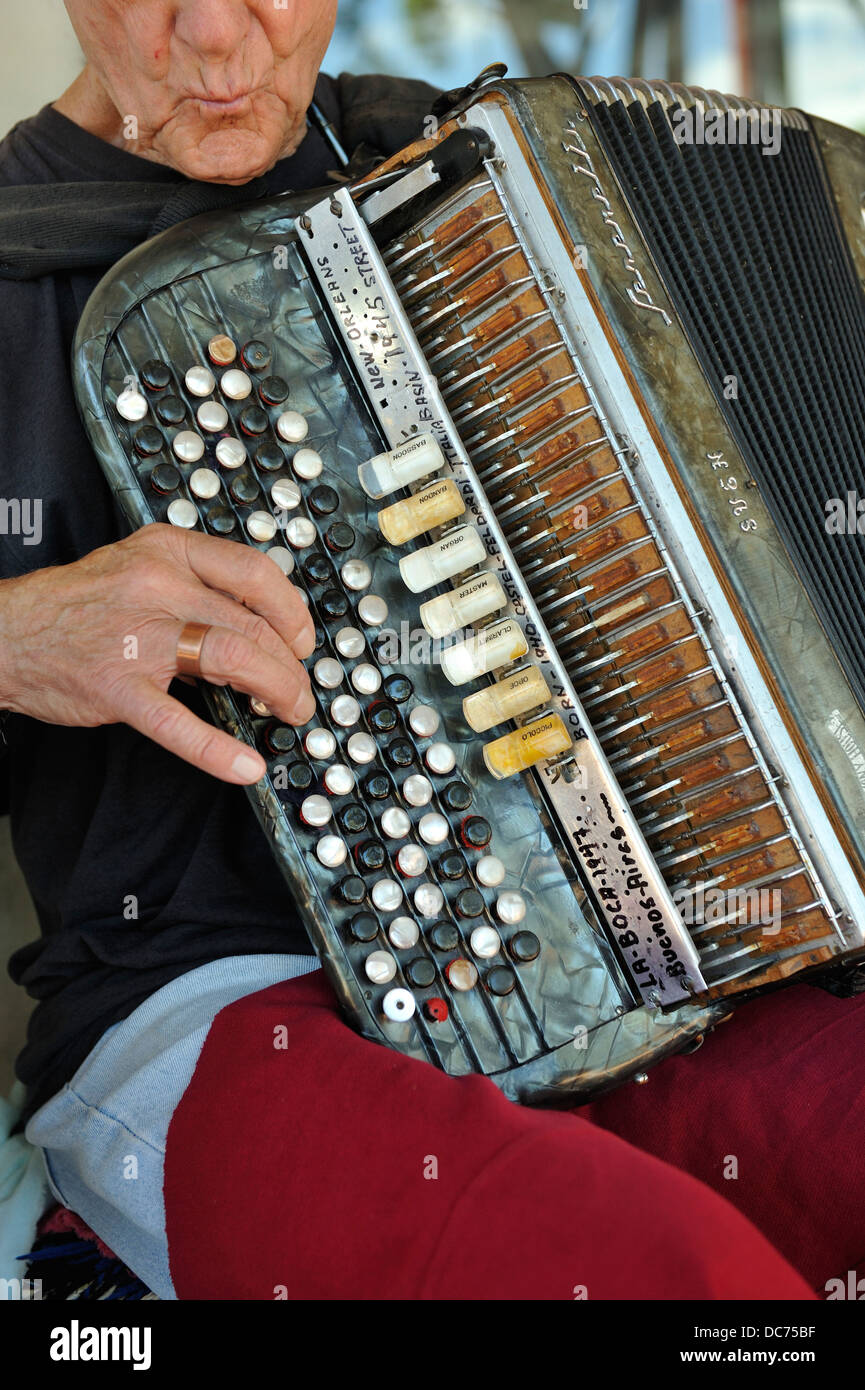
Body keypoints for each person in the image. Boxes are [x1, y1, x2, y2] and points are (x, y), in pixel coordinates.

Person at [0, 0, 861, 1301]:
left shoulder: (444, 152)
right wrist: (21, 632)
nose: (220, 43)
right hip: (213, 1001)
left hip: (640, 966)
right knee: (663, 1276)